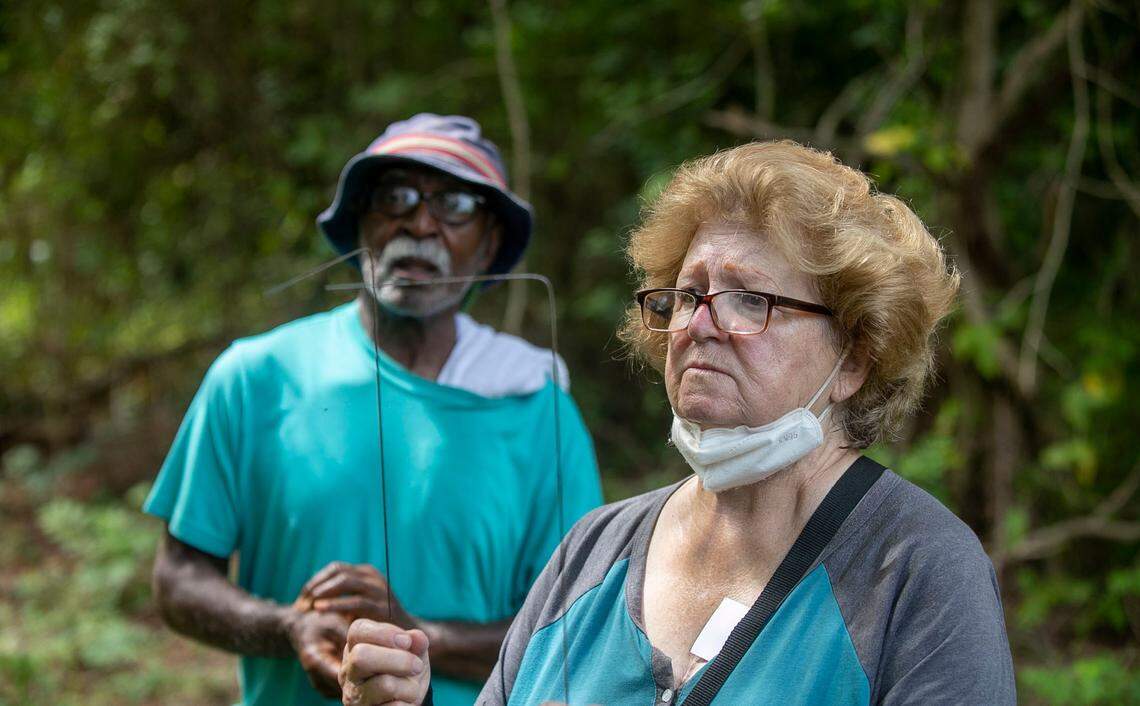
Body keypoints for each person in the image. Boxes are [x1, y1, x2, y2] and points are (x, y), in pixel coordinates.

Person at [338, 140, 1017, 705]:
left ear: (854, 358)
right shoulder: (593, 551)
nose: (698, 324)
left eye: (750, 300)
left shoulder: (918, 571)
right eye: (687, 295)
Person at [145, 113, 603, 706]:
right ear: (362, 222)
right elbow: (178, 579)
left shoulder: (536, 406)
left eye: (456, 204)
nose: (421, 222)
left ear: (489, 244)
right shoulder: (256, 377)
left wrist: (416, 640)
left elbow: (574, 626)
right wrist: (288, 628)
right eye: (396, 197)